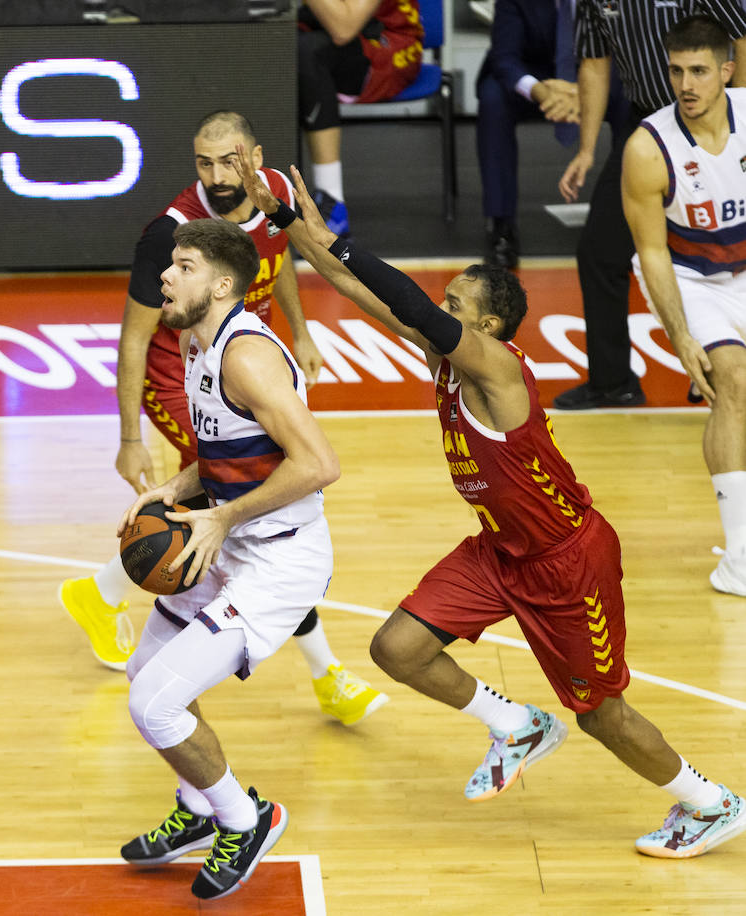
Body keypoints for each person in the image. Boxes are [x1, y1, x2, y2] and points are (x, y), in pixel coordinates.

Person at [277, 162, 744, 858]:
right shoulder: (451, 362)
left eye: (456, 304)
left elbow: (409, 305)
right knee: (396, 648)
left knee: (601, 716)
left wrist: (340, 243)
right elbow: (358, 290)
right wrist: (294, 225)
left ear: (489, 325)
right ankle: (515, 725)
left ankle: (711, 804)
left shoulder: (496, 368)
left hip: (568, 564)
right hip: (500, 552)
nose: (442, 308)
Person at [59, 112, 387, 728]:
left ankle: (102, 591)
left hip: (236, 352)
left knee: (243, 502)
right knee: (245, 496)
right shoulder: (172, 234)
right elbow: (133, 340)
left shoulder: (276, 195)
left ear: (255, 156)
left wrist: (302, 329)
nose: (218, 176)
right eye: (203, 163)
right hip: (175, 368)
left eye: (229, 161)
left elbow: (279, 259)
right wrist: (130, 438)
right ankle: (327, 674)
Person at [117, 217, 337, 899]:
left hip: (278, 561)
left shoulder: (246, 354)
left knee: (155, 706)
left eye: (181, 266)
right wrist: (172, 490)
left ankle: (247, 819)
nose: (164, 274)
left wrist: (221, 516)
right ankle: (200, 807)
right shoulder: (195, 341)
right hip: (231, 540)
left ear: (219, 283)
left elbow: (319, 464)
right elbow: (220, 453)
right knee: (144, 671)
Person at [552, 0, 746, 410]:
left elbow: (741, 39)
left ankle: (715, 358)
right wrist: (587, 149)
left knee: (722, 239)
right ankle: (612, 382)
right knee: (600, 252)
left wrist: (737, 121)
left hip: (717, 120)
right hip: (650, 123)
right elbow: (594, 62)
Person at [621, 16, 746, 594]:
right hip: (691, 278)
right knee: (733, 381)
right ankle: (739, 559)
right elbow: (651, 252)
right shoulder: (648, 148)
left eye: (699, 70)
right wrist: (680, 336)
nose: (686, 84)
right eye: (676, 71)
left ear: (727, 70)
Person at [475, 0, 629, 268]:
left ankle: (628, 225)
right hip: (539, 80)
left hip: (602, 72)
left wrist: (586, 90)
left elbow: (629, 51)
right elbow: (504, 57)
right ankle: (501, 227)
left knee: (631, 100)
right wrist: (542, 92)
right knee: (493, 99)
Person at [298, 0, 424, 236]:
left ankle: (331, 199)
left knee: (307, 53)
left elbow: (343, 29)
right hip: (325, 27)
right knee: (270, 42)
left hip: (390, 44)